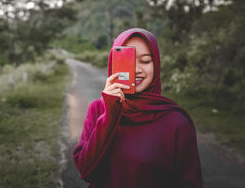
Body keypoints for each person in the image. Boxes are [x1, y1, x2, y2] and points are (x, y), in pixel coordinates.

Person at [73, 28, 203, 188]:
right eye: (127, 60)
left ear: (156, 64)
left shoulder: (176, 122)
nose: (136, 70)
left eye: (146, 61)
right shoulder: (98, 109)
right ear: (113, 63)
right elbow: (85, 170)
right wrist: (109, 116)